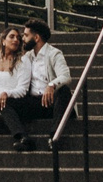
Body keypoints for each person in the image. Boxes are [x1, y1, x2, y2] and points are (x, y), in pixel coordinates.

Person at [4, 20, 73, 149]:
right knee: (6, 102)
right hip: (35, 102)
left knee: (64, 91)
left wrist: (51, 85)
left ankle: (54, 137)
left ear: (36, 38)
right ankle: (23, 138)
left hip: (53, 103)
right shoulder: (27, 56)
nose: (22, 39)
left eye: (25, 35)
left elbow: (66, 76)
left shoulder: (54, 54)